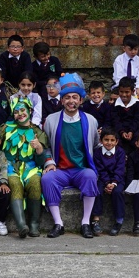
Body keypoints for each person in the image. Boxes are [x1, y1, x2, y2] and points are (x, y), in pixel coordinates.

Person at [41, 73, 101, 239]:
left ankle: (85, 222)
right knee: (47, 179)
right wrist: (49, 162)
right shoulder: (51, 120)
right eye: (67, 97)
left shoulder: (90, 120)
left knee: (91, 176)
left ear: (81, 100)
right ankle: (58, 223)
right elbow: (45, 146)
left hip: (81, 169)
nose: (71, 101)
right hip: (60, 169)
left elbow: (95, 144)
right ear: (62, 100)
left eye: (75, 97)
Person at [0, 97, 49, 239]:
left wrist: (39, 149)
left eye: (23, 110)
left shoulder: (37, 132)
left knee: (34, 183)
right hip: (10, 166)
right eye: (16, 111)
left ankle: (34, 224)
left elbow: (40, 161)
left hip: (31, 167)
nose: (20, 114)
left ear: (29, 111)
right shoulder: (5, 128)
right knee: (15, 184)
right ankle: (21, 225)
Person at [92, 127, 126, 236]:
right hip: (103, 178)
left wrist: (114, 183)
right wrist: (107, 183)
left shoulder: (120, 152)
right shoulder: (97, 153)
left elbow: (120, 169)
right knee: (97, 191)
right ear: (101, 141)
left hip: (118, 179)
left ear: (116, 141)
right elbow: (100, 169)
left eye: (112, 140)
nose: (109, 143)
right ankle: (95, 220)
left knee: (117, 192)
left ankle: (119, 221)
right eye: (106, 140)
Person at [109, 76, 139, 154]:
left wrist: (131, 131)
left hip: (134, 130)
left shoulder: (137, 104)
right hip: (120, 130)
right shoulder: (114, 105)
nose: (124, 95)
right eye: (121, 92)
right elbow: (115, 121)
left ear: (133, 91)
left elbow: (137, 120)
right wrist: (122, 132)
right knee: (116, 138)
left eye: (127, 92)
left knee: (138, 139)